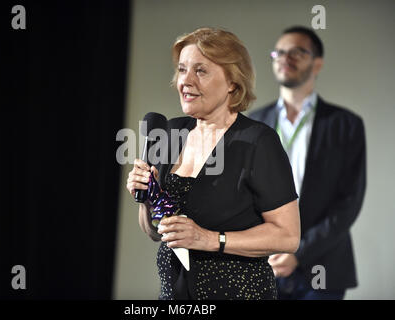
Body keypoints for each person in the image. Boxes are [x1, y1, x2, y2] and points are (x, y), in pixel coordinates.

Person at [126, 27, 300, 300]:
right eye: (182, 70)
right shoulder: (171, 133)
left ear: (232, 81)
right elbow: (155, 231)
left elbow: (288, 236)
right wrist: (146, 198)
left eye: (201, 71)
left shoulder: (258, 141)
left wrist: (209, 239)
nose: (186, 81)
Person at [249, 26, 366, 300]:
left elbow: (350, 201)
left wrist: (299, 251)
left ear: (317, 63)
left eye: (298, 51)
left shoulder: (345, 125)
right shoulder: (252, 123)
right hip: (261, 266)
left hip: (323, 267)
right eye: (279, 52)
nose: (285, 57)